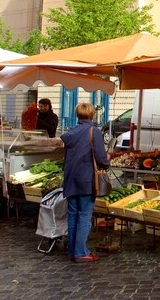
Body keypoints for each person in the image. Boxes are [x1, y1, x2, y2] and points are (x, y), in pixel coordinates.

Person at [61, 102, 109, 262]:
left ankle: (73, 250)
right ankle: (81, 252)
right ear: (92, 115)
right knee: (84, 216)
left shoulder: (70, 132)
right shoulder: (93, 131)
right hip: (86, 179)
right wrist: (106, 164)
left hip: (70, 178)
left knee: (73, 215)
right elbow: (101, 156)